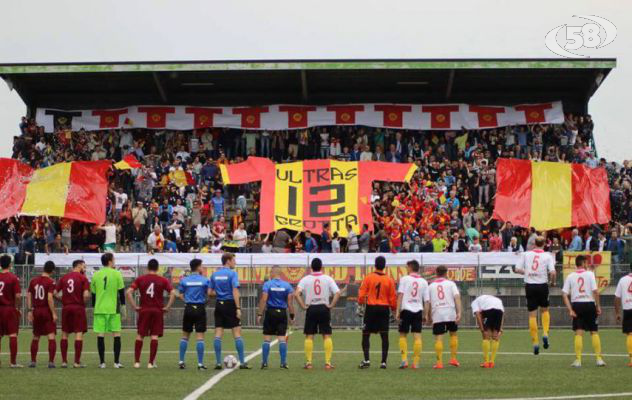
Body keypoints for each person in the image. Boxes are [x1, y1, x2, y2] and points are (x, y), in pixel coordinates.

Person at [126, 258, 176, 369]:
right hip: (157, 311)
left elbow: (128, 292)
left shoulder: (140, 279)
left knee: (140, 335)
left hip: (144, 310)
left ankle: (137, 362)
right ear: (158, 268)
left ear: (148, 268)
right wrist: (167, 307)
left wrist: (134, 306)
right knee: (154, 336)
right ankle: (150, 363)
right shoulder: (162, 280)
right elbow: (173, 293)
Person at [294, 257, 341, 369]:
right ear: (321, 267)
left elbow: (296, 294)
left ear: (311, 267)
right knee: (326, 335)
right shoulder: (328, 278)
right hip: (324, 308)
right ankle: (328, 363)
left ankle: (309, 363)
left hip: (311, 308)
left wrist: (303, 306)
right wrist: (331, 305)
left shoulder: (305, 279)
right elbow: (337, 293)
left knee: (309, 336)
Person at [515, 236, 556, 355]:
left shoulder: (526, 254)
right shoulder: (547, 256)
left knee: (532, 315)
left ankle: (535, 343)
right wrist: (552, 282)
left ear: (534, 244)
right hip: (542, 285)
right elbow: (553, 272)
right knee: (545, 310)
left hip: (530, 286)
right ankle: (545, 333)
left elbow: (517, 269)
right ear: (544, 244)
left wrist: (526, 272)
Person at [562, 255, 605, 367]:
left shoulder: (570, 276)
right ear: (584, 263)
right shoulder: (590, 274)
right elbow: (595, 291)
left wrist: (570, 309)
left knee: (579, 333)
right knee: (594, 332)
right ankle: (599, 359)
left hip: (577, 305)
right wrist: (598, 306)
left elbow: (564, 294)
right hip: (589, 304)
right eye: (587, 263)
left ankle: (578, 360)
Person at [210, 252, 250, 369]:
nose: (235, 262)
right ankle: (242, 362)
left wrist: (220, 293)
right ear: (228, 261)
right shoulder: (232, 274)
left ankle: (218, 363)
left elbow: (209, 292)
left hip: (219, 304)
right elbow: (235, 291)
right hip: (230, 304)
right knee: (237, 333)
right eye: (233, 260)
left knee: (218, 333)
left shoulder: (214, 274)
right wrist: (238, 308)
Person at [358, 256, 397, 369]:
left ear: (375, 265)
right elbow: (392, 298)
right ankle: (383, 362)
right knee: (384, 335)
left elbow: (361, 294)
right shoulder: (389, 279)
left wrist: (361, 302)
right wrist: (393, 309)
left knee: (366, 334)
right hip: (384, 309)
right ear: (384, 266)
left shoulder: (368, 277)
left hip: (371, 308)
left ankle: (366, 360)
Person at [91, 252, 126, 368]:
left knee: (100, 335)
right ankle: (116, 362)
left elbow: (93, 294)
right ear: (110, 261)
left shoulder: (96, 275)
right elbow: (121, 293)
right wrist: (123, 307)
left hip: (99, 308)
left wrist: (93, 307)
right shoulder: (117, 274)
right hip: (113, 308)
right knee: (116, 334)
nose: (115, 261)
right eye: (114, 259)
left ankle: (102, 363)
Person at [257, 266, 295, 369]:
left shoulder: (267, 284)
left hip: (270, 312)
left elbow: (264, 300)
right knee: (282, 338)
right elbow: (290, 303)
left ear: (273, 273)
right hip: (282, 313)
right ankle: (283, 363)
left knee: (267, 338)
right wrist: (292, 316)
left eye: (270, 272)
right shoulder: (287, 286)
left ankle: (264, 363)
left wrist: (259, 314)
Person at [55, 259, 90, 368]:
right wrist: (82, 303)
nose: (85, 268)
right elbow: (85, 295)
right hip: (78, 307)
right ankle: (76, 362)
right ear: (78, 266)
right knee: (78, 333)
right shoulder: (83, 278)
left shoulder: (64, 278)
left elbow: (55, 292)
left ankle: (64, 361)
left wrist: (63, 300)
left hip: (66, 307)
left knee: (65, 333)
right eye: (84, 266)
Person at [176, 258, 210, 370]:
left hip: (189, 308)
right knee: (200, 337)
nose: (203, 268)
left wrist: (186, 300)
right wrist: (205, 301)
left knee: (185, 336)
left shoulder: (184, 280)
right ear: (198, 267)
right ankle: (200, 364)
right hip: (200, 308)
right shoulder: (205, 280)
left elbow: (180, 294)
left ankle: (181, 361)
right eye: (202, 266)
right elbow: (209, 294)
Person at [395, 260, 429, 369]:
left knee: (402, 334)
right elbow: (427, 300)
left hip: (406, 310)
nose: (406, 268)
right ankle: (416, 363)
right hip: (418, 310)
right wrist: (426, 314)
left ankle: (404, 360)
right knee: (417, 336)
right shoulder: (424, 281)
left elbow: (400, 295)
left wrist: (397, 311)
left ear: (410, 267)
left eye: (407, 266)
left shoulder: (404, 279)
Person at [427, 265, 462, 369]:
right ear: (446, 273)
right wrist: (459, 312)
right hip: (450, 312)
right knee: (453, 335)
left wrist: (428, 315)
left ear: (436, 273)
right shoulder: (451, 284)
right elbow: (457, 297)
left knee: (438, 338)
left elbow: (428, 302)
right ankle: (454, 359)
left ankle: (439, 363)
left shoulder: (431, 286)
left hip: (437, 313)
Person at [27, 260, 58, 368]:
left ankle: (33, 361)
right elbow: (50, 298)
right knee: (51, 336)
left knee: (36, 336)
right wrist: (53, 313)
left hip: (36, 310)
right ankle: (50, 362)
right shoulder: (51, 282)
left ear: (44, 268)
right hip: (46, 310)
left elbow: (29, 296)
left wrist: (30, 310)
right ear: (52, 270)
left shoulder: (33, 281)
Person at [471, 294, 504, 368]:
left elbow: (478, 315)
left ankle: (486, 362)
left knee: (486, 337)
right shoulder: (497, 300)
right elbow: (502, 314)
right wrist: (500, 329)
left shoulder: (474, 302)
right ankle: (492, 362)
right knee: (496, 337)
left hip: (489, 310)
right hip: (499, 312)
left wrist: (482, 330)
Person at [0, 254, 21, 368]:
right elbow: (18, 296)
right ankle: (13, 362)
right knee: (12, 335)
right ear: (10, 264)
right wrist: (16, 308)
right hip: (9, 308)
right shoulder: (13, 278)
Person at [614, 262, 632, 367]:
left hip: (628, 309)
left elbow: (616, 298)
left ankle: (631, 359)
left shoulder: (623, 280)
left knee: (630, 334)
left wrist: (617, 313)